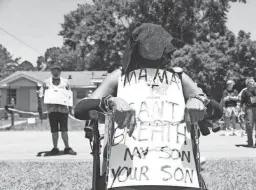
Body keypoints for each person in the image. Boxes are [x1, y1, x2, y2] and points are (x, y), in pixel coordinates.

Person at [75, 23, 223, 190]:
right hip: (126, 173)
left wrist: (199, 100)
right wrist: (108, 102)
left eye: (160, 40)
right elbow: (80, 109)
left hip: (176, 173)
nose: (155, 43)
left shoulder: (178, 77)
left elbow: (217, 111)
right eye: (149, 39)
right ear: (137, 45)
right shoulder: (120, 76)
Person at [38, 63, 76, 156]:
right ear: (51, 71)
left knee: (64, 130)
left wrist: (71, 109)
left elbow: (69, 95)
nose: (56, 72)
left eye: (58, 70)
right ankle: (55, 148)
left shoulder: (65, 82)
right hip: (52, 110)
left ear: (60, 71)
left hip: (63, 110)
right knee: (54, 131)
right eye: (54, 70)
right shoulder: (46, 82)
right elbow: (41, 95)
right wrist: (41, 100)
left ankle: (67, 148)